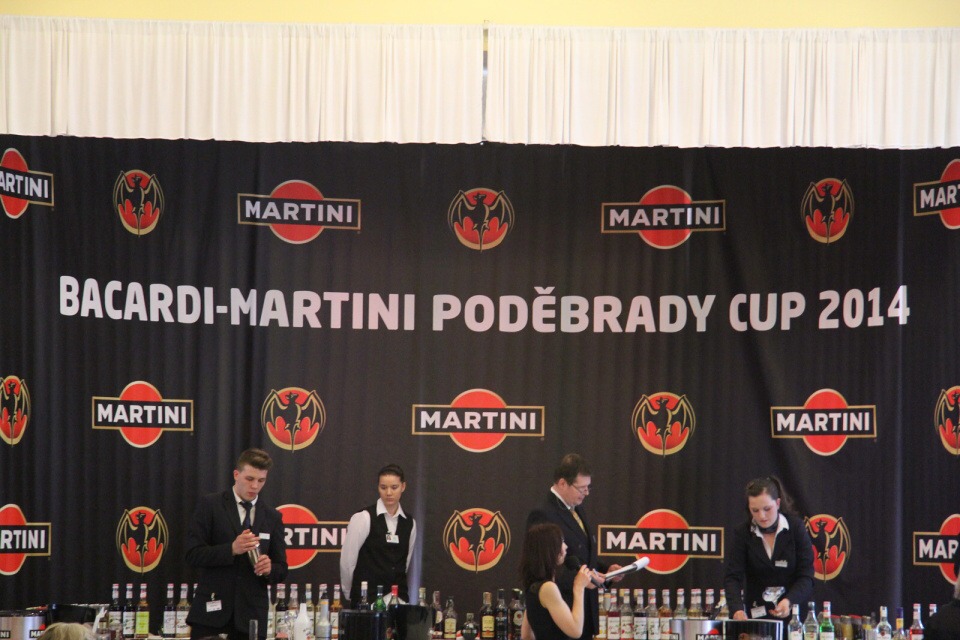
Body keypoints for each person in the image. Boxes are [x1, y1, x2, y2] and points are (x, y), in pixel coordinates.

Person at [185, 448, 287, 640]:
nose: (255, 486)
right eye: (249, 479)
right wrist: (231, 549)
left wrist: (269, 569)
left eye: (261, 480)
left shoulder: (272, 516)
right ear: (236, 475)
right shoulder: (211, 505)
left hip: (252, 617)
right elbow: (193, 554)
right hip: (211, 614)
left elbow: (281, 569)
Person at [526, 454, 621, 640]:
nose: (586, 493)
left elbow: (581, 555)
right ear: (562, 483)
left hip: (585, 610)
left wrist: (605, 571)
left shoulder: (576, 507)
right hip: (561, 611)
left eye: (588, 487)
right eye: (581, 488)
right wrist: (580, 581)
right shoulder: (543, 513)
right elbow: (541, 565)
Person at [723, 476, 814, 621]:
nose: (762, 516)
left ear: (777, 503)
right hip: (756, 616)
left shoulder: (796, 528)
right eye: (755, 510)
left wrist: (789, 601)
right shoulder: (743, 533)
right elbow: (733, 577)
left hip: (793, 615)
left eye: (767, 509)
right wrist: (737, 609)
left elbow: (806, 575)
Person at [340, 463, 417, 606]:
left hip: (399, 600)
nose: (389, 493)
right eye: (383, 487)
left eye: (394, 487)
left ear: (403, 487)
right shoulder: (364, 517)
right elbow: (348, 561)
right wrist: (350, 592)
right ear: (378, 488)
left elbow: (405, 563)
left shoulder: (410, 523)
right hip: (367, 600)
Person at [520, 522, 597, 640]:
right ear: (550, 548)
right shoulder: (548, 588)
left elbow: (526, 635)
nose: (566, 546)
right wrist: (579, 587)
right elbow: (575, 630)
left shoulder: (533, 587)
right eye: (561, 541)